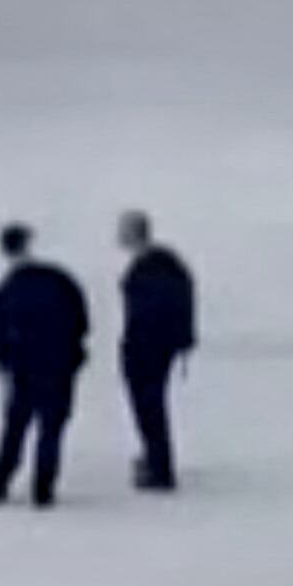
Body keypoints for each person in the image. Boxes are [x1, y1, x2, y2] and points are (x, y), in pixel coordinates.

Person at [0, 221, 90, 508]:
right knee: (52, 429)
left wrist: (4, 367)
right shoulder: (60, 279)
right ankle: (44, 488)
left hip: (25, 368)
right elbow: (82, 321)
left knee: (16, 426)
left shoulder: (5, 290)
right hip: (61, 366)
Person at [113, 211, 197, 493]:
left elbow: (149, 311)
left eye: (123, 231)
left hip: (147, 348)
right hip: (157, 346)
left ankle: (159, 466)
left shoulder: (152, 266)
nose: (119, 236)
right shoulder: (165, 263)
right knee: (151, 405)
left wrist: (137, 342)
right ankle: (156, 458)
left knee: (149, 406)